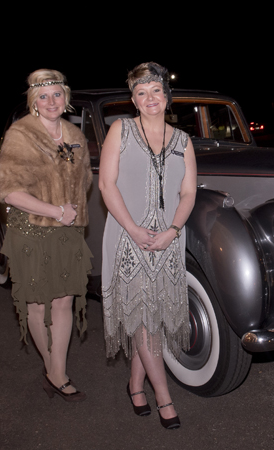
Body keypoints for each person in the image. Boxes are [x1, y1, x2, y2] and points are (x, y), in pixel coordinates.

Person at [99, 62, 197, 430]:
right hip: (128, 238)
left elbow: (187, 192)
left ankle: (135, 384)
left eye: (156, 90)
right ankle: (163, 396)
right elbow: (107, 186)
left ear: (166, 96)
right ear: (133, 100)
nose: (150, 98)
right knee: (142, 316)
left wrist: (173, 229)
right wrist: (134, 230)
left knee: (152, 315)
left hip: (170, 239)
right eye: (141, 93)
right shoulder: (120, 130)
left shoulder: (183, 140)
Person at [0, 69, 93, 401]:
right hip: (32, 229)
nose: (51, 101)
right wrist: (56, 211)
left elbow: (86, 180)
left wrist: (73, 212)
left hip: (67, 231)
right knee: (38, 305)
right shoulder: (20, 134)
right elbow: (7, 190)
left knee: (63, 301)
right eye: (43, 95)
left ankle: (56, 370)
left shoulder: (73, 132)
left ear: (66, 97)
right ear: (33, 101)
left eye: (57, 94)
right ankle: (55, 371)